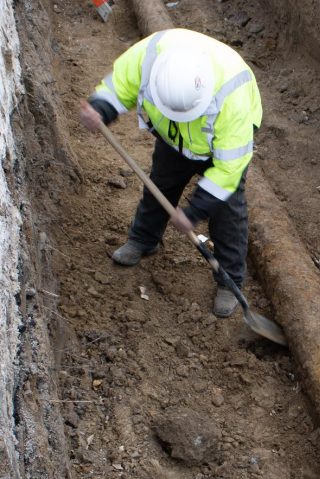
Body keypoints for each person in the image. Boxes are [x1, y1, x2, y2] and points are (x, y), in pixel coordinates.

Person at [79, 28, 262, 318]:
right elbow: (120, 85)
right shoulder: (150, 57)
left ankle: (229, 279)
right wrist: (102, 107)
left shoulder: (233, 101)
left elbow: (228, 171)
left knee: (227, 210)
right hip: (173, 136)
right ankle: (143, 239)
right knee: (161, 184)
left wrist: (193, 212)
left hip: (217, 145)